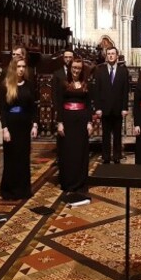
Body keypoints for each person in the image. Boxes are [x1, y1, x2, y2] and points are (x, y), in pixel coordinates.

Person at [0, 57, 38, 200]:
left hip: (24, 125)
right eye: (18, 67)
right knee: (11, 158)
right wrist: (4, 128)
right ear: (13, 68)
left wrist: (34, 124)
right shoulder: (5, 85)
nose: (21, 69)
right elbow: (2, 109)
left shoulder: (29, 85)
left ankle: (23, 189)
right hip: (11, 125)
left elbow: (33, 107)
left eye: (23, 66)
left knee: (23, 158)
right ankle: (9, 190)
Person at [56, 58, 93, 191]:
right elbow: (59, 104)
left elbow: (88, 105)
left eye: (79, 68)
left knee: (80, 151)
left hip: (81, 121)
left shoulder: (86, 84)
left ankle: (80, 181)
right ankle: (68, 181)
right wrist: (60, 122)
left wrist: (89, 122)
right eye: (74, 68)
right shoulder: (63, 83)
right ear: (70, 68)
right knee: (68, 151)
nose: (76, 70)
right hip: (67, 120)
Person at [94, 47, 129, 164]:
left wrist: (124, 108)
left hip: (118, 108)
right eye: (108, 54)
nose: (110, 55)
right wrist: (98, 108)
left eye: (113, 53)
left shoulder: (123, 71)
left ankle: (117, 156)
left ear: (117, 56)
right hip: (105, 108)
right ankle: (106, 156)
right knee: (106, 134)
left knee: (117, 134)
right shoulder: (100, 71)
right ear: (106, 56)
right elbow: (97, 91)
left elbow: (125, 90)